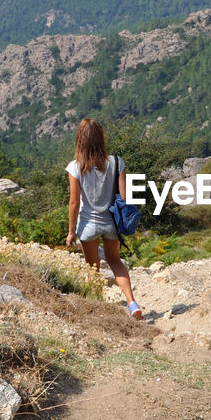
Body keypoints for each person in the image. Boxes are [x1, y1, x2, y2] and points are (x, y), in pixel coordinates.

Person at [65, 118, 143, 319]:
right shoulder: (117, 163)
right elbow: (125, 198)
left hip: (88, 224)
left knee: (93, 269)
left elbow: (74, 202)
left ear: (80, 140)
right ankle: (132, 302)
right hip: (111, 224)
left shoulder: (75, 167)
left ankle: (96, 310)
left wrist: (71, 231)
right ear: (101, 138)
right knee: (115, 261)